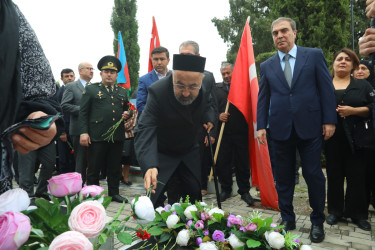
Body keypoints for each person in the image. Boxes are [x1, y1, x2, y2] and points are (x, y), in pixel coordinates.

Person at [256, 17, 337, 243]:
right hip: (279, 130)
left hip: (310, 127)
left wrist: (329, 120)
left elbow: (326, 89)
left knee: (313, 175)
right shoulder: (267, 65)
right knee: (283, 178)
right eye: (275, 33)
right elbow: (263, 98)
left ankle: (317, 221)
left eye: (284, 31)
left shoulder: (313, 55)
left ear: (294, 32)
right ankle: (287, 218)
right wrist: (260, 125)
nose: (279, 36)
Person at [134, 54, 216, 207]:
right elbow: (145, 127)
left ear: (201, 80)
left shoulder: (203, 89)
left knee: (193, 196)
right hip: (164, 151)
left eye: (192, 87)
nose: (185, 92)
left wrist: (210, 118)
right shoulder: (157, 91)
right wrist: (150, 164)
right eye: (179, 85)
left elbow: (209, 105)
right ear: (172, 78)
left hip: (188, 149)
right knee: (155, 196)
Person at [0, 0, 59, 194]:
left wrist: (38, 112)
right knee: (25, 172)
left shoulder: (7, 11)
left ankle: (36, 195)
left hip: (11, 139)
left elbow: (34, 73)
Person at [324, 48, 374, 231]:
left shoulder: (363, 86)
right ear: (334, 63)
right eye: (339, 59)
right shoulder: (325, 84)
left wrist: (353, 111)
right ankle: (335, 211)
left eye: (347, 59)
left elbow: (373, 107)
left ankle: (358, 214)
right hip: (332, 140)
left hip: (358, 140)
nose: (342, 61)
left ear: (353, 64)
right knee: (334, 176)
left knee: (357, 178)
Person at [79, 55, 130, 203]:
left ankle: (114, 193)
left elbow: (128, 108)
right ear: (101, 74)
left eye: (112, 72)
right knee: (94, 168)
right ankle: (92, 194)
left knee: (114, 167)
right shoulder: (91, 90)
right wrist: (84, 132)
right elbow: (83, 113)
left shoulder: (122, 92)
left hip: (117, 136)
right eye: (106, 71)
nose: (109, 74)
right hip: (97, 135)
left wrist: (129, 113)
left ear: (116, 75)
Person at [178, 40, 218, 196]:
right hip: (178, 129)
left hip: (199, 129)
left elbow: (212, 103)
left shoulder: (207, 77)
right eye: (181, 55)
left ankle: (198, 190)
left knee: (198, 161)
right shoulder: (172, 76)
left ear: (198, 56)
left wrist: (212, 127)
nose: (185, 58)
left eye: (188, 55)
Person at [214, 62, 254, 206]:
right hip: (223, 133)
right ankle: (226, 189)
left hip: (241, 131)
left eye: (228, 73)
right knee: (223, 162)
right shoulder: (216, 89)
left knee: (242, 163)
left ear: (233, 73)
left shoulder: (242, 87)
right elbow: (210, 107)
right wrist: (218, 116)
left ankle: (244, 191)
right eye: (223, 74)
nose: (226, 76)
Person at [61, 62, 94, 183]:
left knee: (92, 161)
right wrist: (83, 110)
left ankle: (91, 187)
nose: (91, 71)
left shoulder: (95, 87)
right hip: (78, 130)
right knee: (80, 162)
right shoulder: (72, 86)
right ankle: (78, 188)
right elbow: (64, 105)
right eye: (89, 69)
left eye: (92, 69)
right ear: (80, 71)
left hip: (94, 130)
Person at [136, 46, 170, 115]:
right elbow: (140, 106)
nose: (159, 62)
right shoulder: (144, 80)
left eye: (162, 59)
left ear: (168, 60)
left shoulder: (176, 77)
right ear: (152, 60)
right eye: (156, 59)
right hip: (154, 122)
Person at [55, 68, 76, 173]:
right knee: (64, 158)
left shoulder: (78, 90)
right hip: (64, 129)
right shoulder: (58, 93)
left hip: (76, 128)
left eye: (71, 76)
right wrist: (61, 131)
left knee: (75, 158)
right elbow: (57, 112)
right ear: (61, 79)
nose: (69, 78)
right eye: (66, 76)